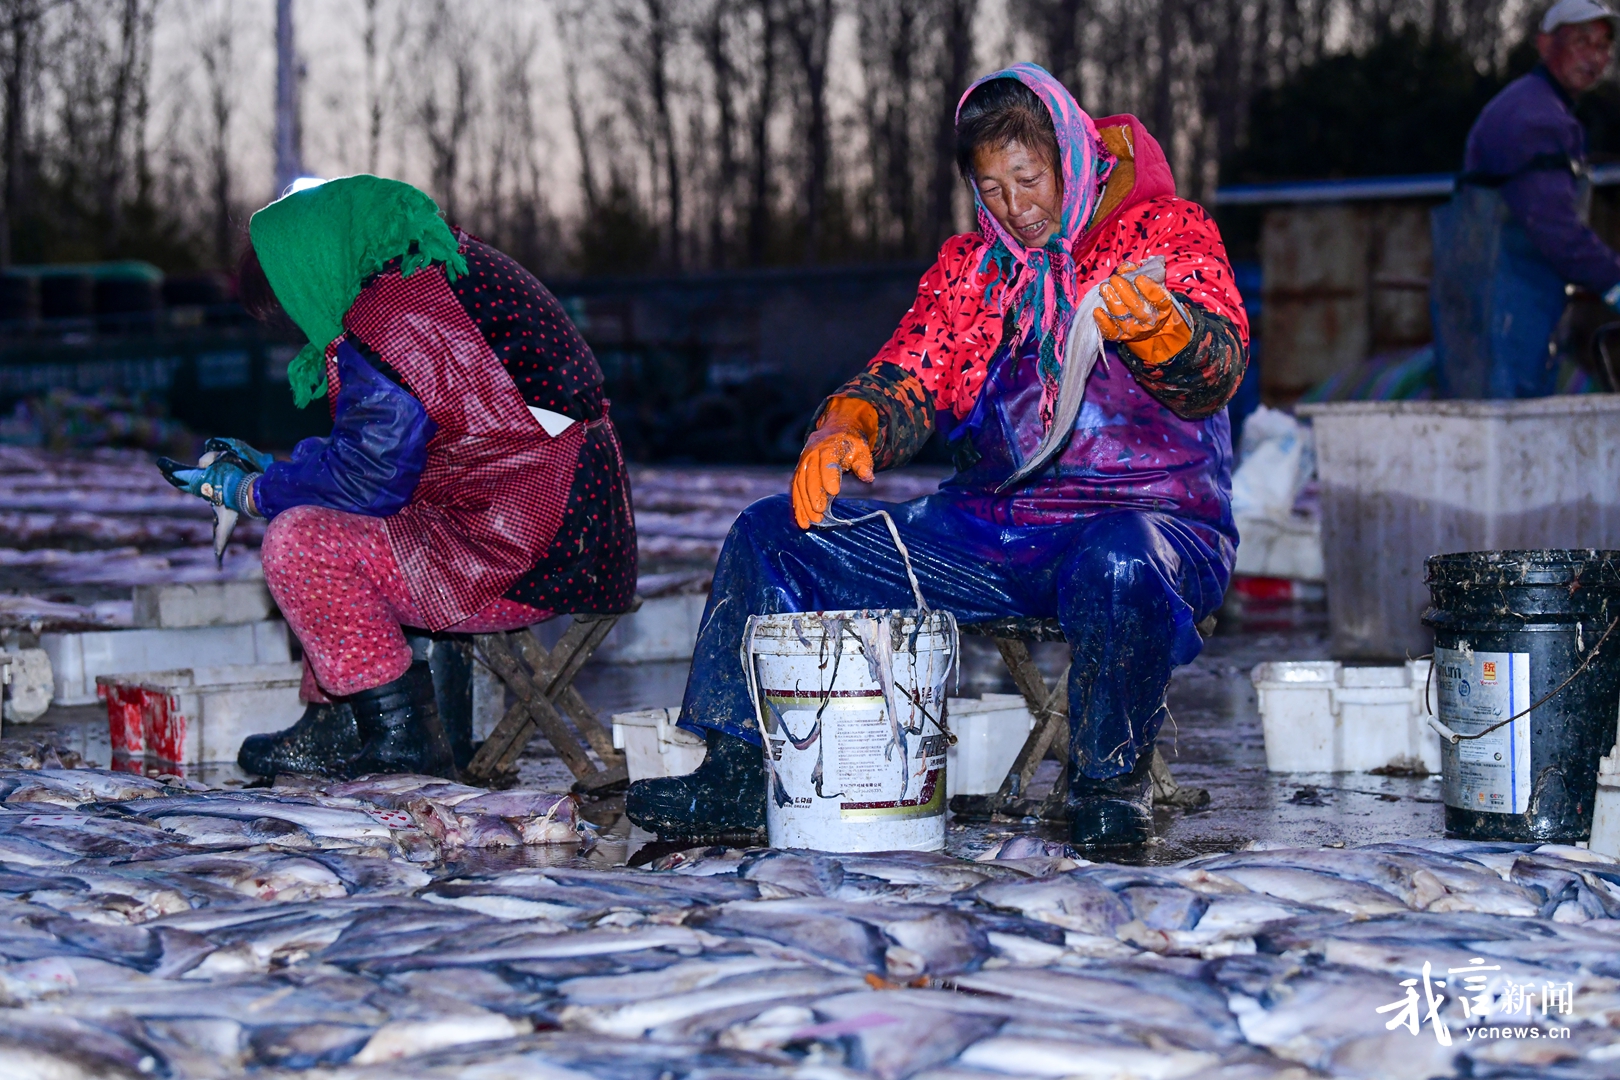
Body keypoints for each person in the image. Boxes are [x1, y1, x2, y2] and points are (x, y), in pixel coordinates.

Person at [626, 64, 1247, 848]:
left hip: (1149, 523)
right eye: (991, 189)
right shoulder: (972, 272)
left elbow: (1220, 367)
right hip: (994, 532)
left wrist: (1167, 331)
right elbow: (908, 376)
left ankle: (1108, 782)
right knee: (772, 534)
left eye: (1029, 179)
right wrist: (849, 424)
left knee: (1119, 563)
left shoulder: (1166, 232)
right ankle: (737, 771)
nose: (1016, 209)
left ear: (1071, 156)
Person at [161, 175, 636, 779]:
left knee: (303, 543)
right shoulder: (430, 273)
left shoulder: (391, 317)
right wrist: (286, 471)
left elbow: (367, 478)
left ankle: (404, 737)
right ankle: (336, 719)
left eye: (290, 296)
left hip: (530, 548)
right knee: (325, 515)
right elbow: (385, 442)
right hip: (567, 524)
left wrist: (254, 492)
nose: (300, 318)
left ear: (312, 263)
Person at [1433, 0, 1620, 398]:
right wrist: (1615, 281)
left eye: (1603, 46)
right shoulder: (1533, 117)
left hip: (1513, 314)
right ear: (1544, 44)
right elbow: (1553, 227)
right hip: (1503, 317)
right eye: (1580, 41)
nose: (1594, 56)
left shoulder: (1544, 108)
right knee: (1503, 430)